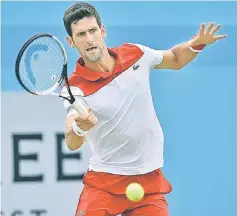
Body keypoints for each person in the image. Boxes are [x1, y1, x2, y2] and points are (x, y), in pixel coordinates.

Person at [61, 2, 226, 216]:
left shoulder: (135, 54)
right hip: (104, 184)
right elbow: (72, 141)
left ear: (103, 31)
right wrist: (80, 128)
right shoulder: (74, 89)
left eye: (93, 31)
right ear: (71, 41)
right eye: (81, 34)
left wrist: (198, 44)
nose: (89, 39)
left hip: (148, 182)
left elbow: (175, 59)